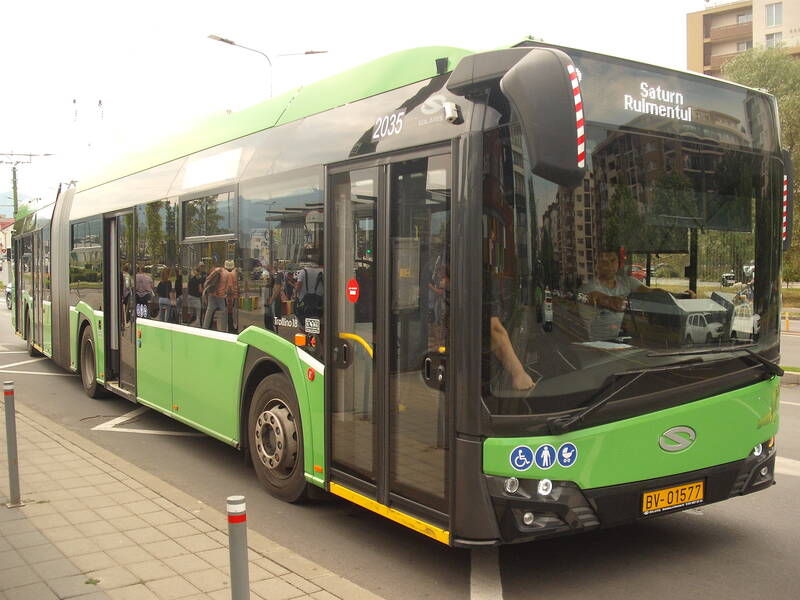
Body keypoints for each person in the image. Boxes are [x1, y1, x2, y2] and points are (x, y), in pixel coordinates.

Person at [579, 249, 691, 341]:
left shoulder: (627, 281)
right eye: (604, 262)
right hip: (597, 341)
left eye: (612, 261)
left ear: (618, 263)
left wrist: (682, 296)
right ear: (597, 265)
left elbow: (651, 292)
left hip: (622, 338)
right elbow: (600, 300)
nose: (609, 265)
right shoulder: (589, 288)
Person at [203, 259, 238, 331]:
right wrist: (234, 296)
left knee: (209, 310)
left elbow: (207, 280)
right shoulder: (230, 274)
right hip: (221, 296)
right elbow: (231, 288)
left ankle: (205, 327)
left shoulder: (217, 270)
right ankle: (223, 330)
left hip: (211, 294)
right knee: (224, 312)